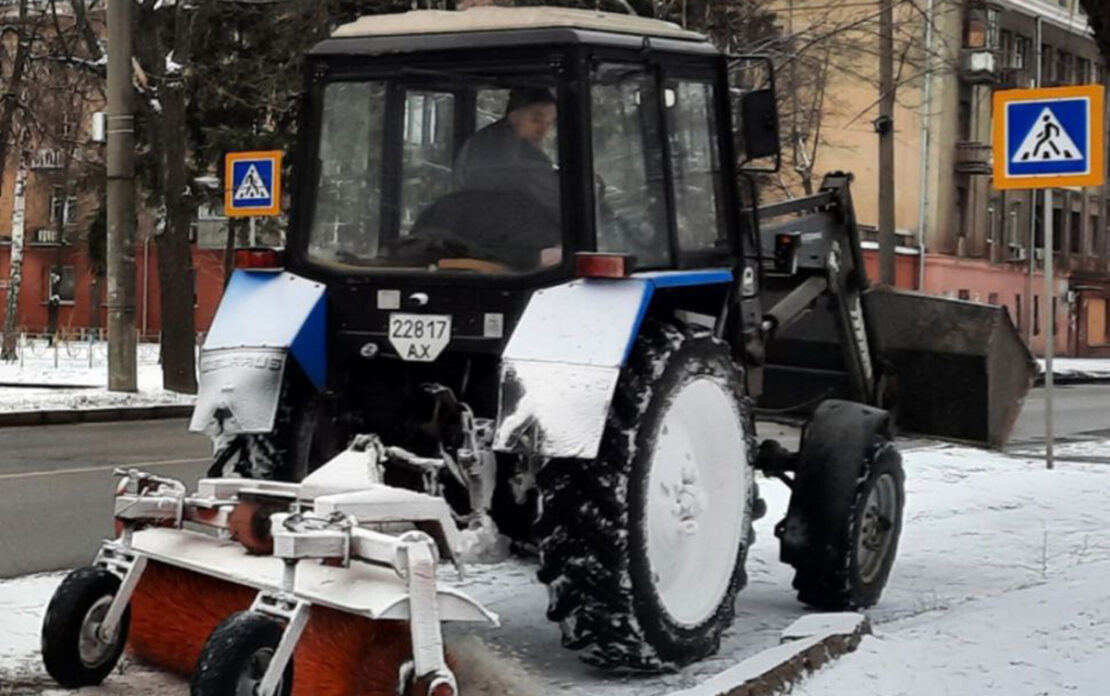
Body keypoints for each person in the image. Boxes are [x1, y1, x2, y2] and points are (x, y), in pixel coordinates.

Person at [453, 87, 560, 219]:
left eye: (549, 123)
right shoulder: (506, 152)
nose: (543, 130)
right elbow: (550, 199)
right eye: (536, 120)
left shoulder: (484, 141)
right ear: (514, 116)